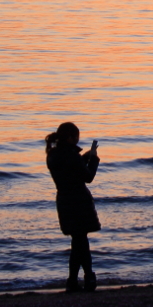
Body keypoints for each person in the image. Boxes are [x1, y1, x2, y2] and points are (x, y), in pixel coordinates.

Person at [45, 122, 101, 292]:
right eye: (76, 137)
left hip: (64, 200)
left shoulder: (53, 155)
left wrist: (83, 158)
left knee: (78, 243)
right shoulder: (72, 156)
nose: (78, 140)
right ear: (70, 137)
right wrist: (94, 159)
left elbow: (69, 169)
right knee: (81, 242)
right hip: (78, 201)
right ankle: (88, 279)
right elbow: (88, 177)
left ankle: (73, 281)